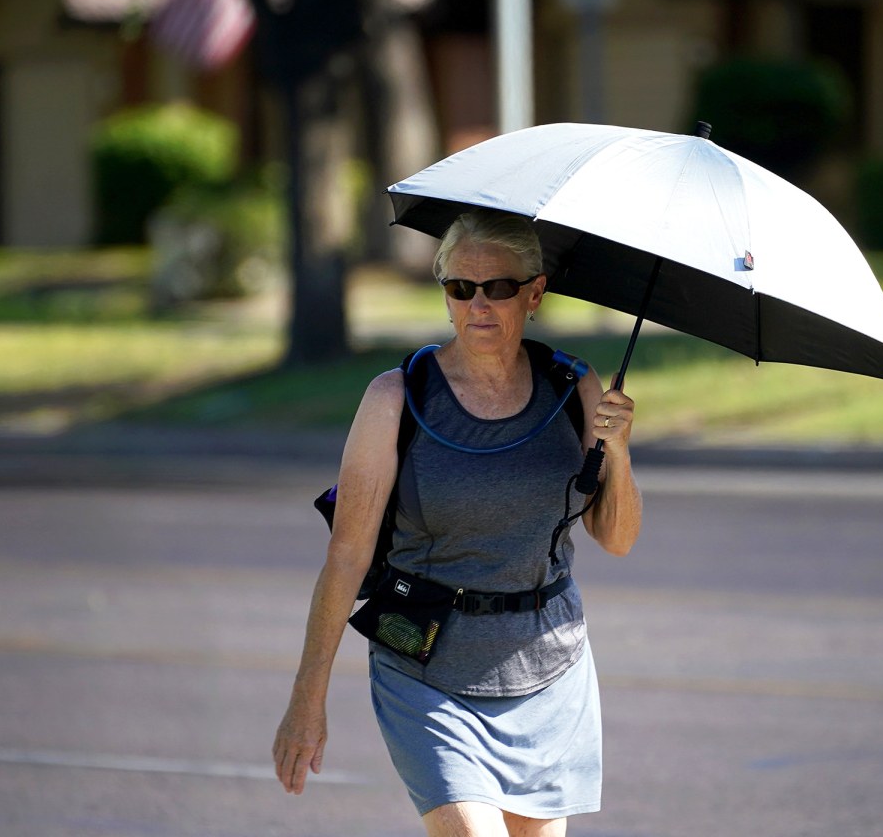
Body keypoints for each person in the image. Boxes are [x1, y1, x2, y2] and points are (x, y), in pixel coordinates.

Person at [272, 209, 643, 837]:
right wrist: (308, 696)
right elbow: (347, 554)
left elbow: (617, 537)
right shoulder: (397, 397)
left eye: (498, 288)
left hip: (549, 664)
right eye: (459, 288)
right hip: (425, 659)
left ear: (535, 293)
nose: (478, 305)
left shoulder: (572, 386)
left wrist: (621, 451)